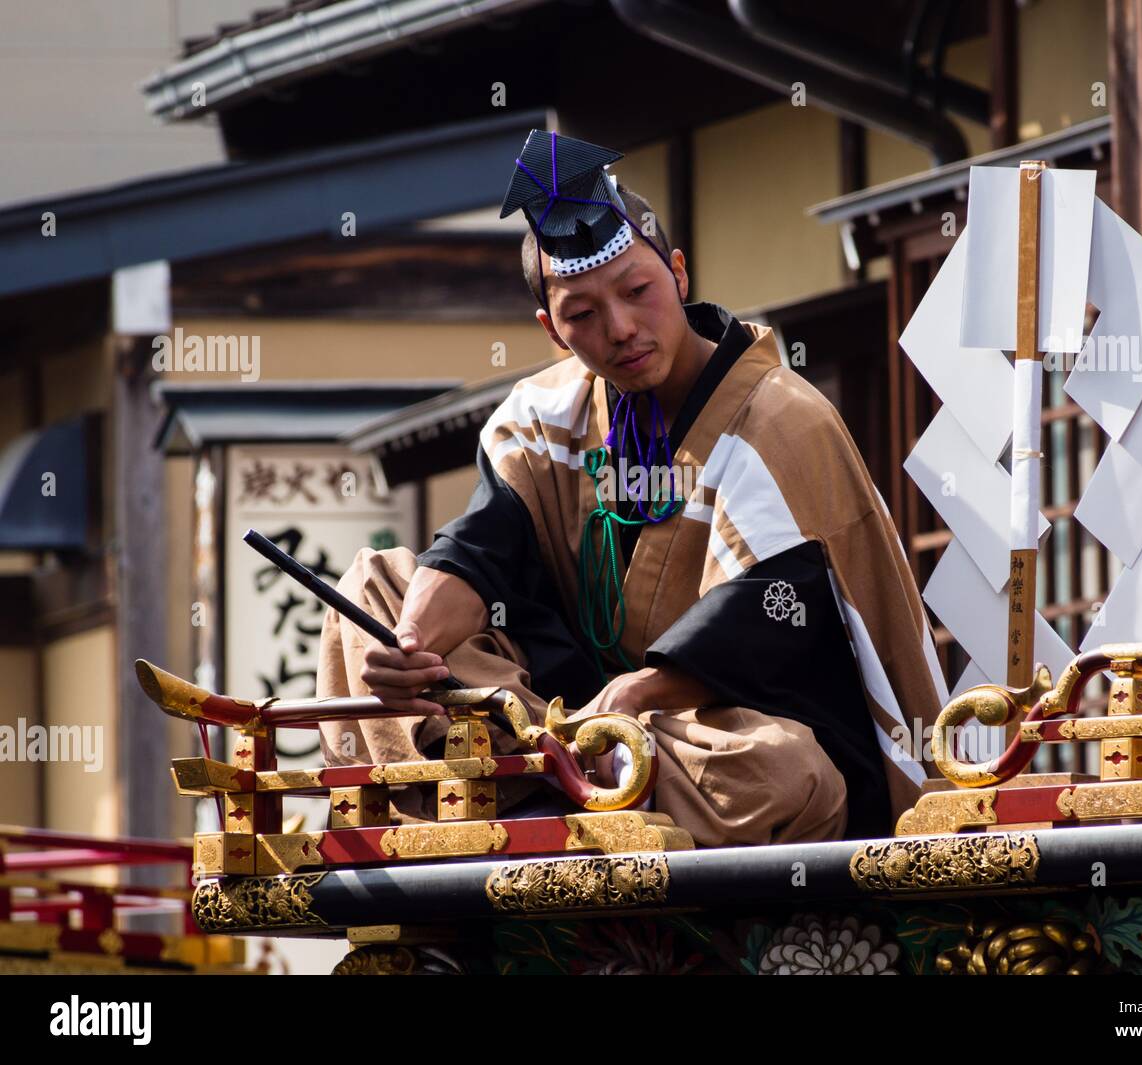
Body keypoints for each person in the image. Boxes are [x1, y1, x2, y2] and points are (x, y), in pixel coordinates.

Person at [316, 129, 946, 846]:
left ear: (678, 274)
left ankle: (560, 789)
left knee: (782, 769)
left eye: (637, 291)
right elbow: (479, 552)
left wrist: (639, 696)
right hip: (563, 718)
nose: (620, 328)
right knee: (373, 587)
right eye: (583, 315)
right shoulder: (542, 417)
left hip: (700, 724)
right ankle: (529, 782)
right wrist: (409, 646)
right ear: (551, 328)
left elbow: (774, 615)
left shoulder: (780, 418)